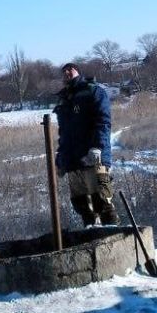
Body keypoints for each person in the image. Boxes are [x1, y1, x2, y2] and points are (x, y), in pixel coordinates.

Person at [54, 62, 120, 226]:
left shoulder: (93, 91)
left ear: (78, 71)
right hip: (73, 162)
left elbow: (103, 121)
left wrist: (98, 147)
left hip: (93, 156)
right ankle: (91, 234)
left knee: (103, 201)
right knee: (82, 205)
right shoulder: (64, 99)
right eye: (64, 71)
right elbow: (64, 134)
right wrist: (61, 160)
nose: (67, 72)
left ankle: (113, 236)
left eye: (70, 69)